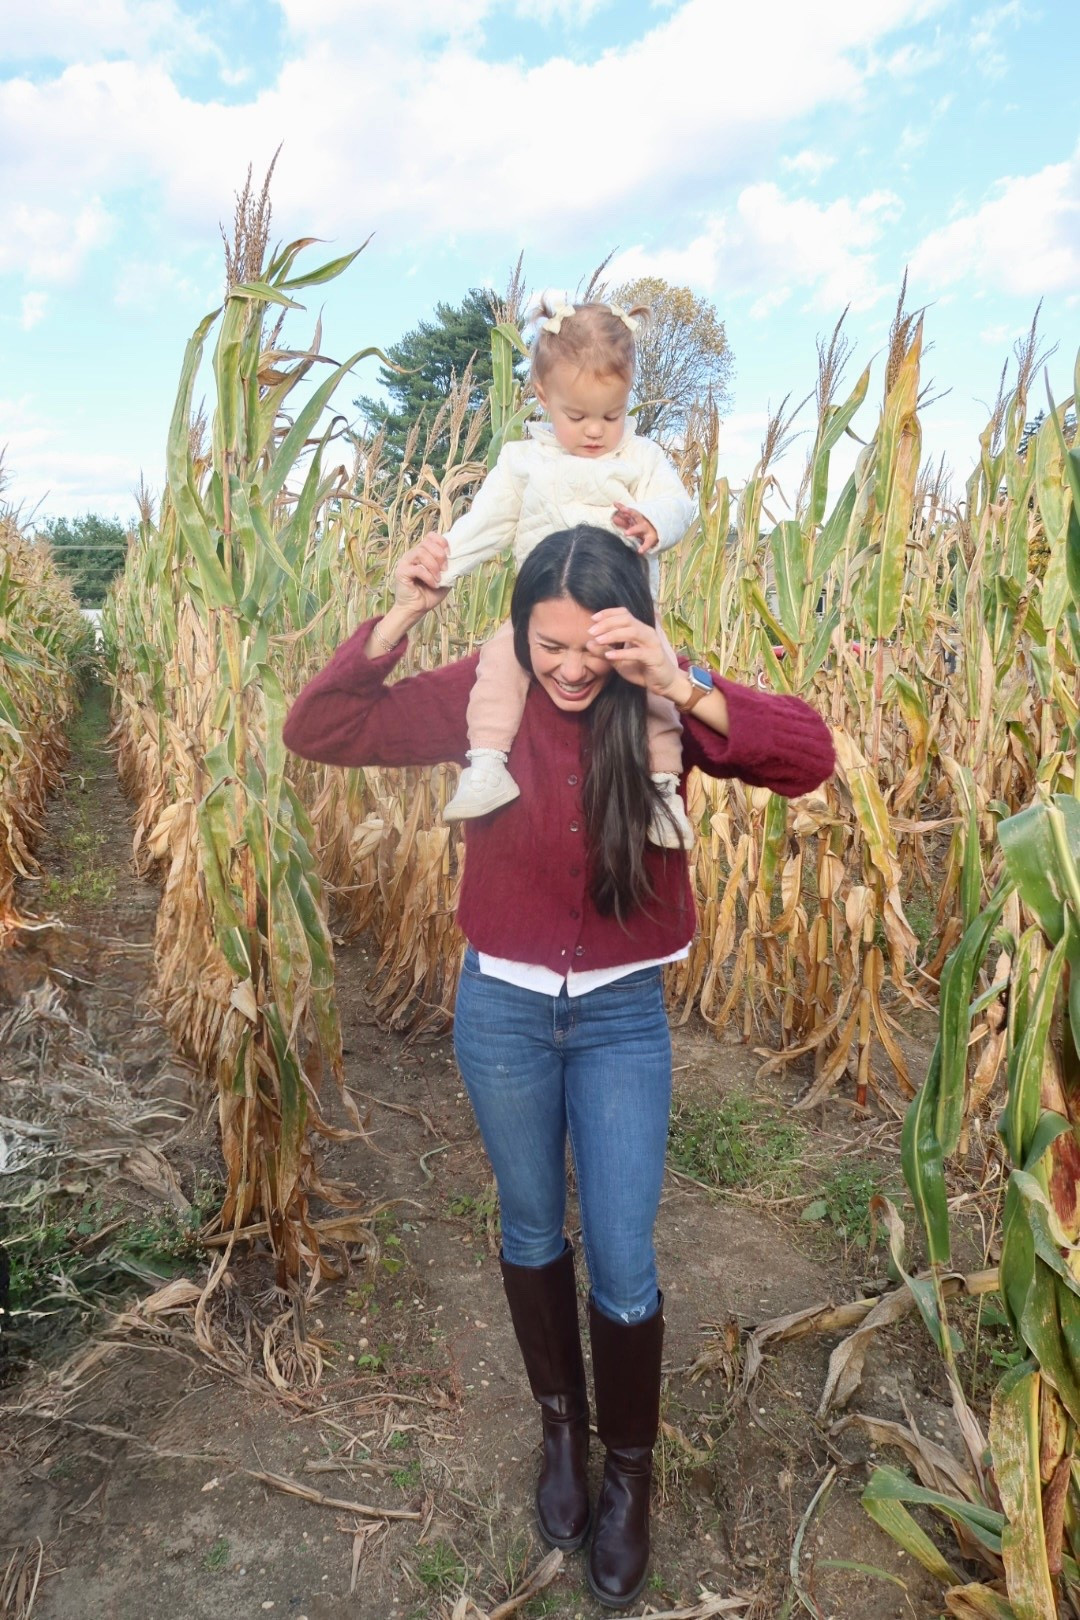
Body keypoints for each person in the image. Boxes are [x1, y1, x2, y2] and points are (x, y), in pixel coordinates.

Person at [283, 526, 834, 1610]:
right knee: (532, 1225)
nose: (573, 668)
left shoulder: (656, 699)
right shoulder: (488, 689)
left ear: (627, 631)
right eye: (551, 645)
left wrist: (683, 676)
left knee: (623, 1256)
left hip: (625, 1016)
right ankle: (563, 1433)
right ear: (520, 628)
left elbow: (807, 758)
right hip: (504, 1011)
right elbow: (324, 726)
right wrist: (399, 615)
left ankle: (631, 1471)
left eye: (596, 646)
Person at [436, 299, 697, 850]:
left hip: (624, 613)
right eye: (577, 416)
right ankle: (486, 762)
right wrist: (443, 566)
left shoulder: (643, 458)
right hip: (543, 619)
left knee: (654, 684)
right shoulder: (522, 461)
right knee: (500, 658)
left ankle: (662, 788)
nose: (597, 431)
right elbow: (485, 524)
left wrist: (654, 520)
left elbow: (680, 504)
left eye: (612, 415)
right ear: (542, 395)